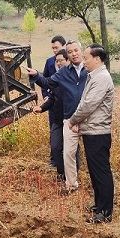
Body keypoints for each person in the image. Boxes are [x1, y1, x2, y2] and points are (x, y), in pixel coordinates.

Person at [27, 40, 88, 193]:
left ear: (81, 51)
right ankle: (69, 181)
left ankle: (88, 181)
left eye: (76, 51)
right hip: (66, 119)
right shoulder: (62, 74)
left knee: (89, 153)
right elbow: (48, 84)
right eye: (70, 52)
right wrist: (36, 75)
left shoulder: (89, 70)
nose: (73, 54)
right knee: (64, 151)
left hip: (88, 119)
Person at [68, 44, 115, 223]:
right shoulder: (94, 76)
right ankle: (99, 205)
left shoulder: (101, 78)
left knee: (101, 172)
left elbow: (88, 105)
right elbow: (85, 102)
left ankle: (105, 212)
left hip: (98, 132)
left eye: (86, 58)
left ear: (97, 59)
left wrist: (73, 120)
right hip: (92, 130)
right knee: (95, 172)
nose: (84, 61)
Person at [33, 48, 70, 181]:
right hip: (57, 119)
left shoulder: (74, 77)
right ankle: (61, 173)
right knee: (55, 147)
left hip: (71, 119)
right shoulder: (57, 77)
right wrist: (41, 108)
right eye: (57, 61)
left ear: (68, 60)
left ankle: (71, 176)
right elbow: (53, 97)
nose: (58, 63)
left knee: (71, 150)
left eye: (61, 60)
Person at [43, 35, 67, 168]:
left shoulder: (70, 62)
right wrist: (46, 96)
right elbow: (45, 80)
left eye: (56, 47)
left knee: (69, 134)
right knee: (54, 131)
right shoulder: (49, 62)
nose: (54, 50)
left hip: (67, 105)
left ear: (64, 46)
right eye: (52, 48)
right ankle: (54, 159)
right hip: (53, 103)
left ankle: (69, 159)